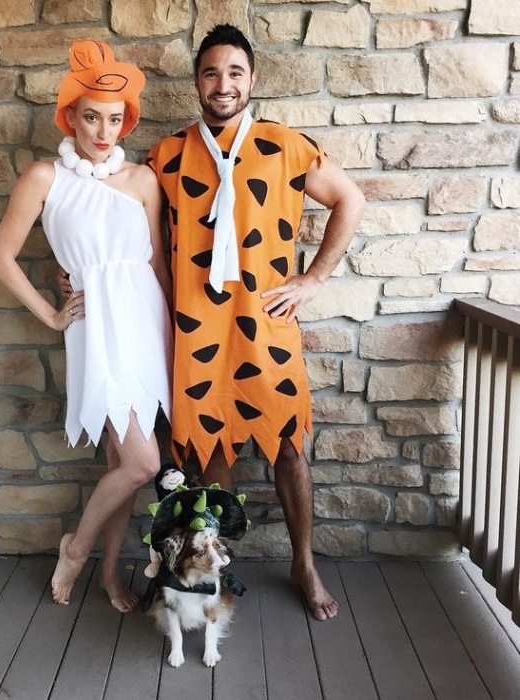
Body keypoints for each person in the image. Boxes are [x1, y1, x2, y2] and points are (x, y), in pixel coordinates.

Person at [144, 24, 366, 621]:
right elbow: (116, 222)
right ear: (196, 81)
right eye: (211, 72)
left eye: (235, 72)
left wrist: (314, 277)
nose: (223, 83)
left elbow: (351, 199)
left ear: (252, 81)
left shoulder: (286, 146)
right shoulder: (166, 156)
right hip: (198, 329)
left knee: (289, 447)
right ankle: (212, 571)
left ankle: (304, 561)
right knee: (209, 456)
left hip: (266, 325)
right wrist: (78, 277)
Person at [0, 39, 173, 613]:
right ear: (69, 117)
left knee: (126, 465)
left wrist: (175, 339)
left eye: (115, 119)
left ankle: (110, 576)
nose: (103, 130)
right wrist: (50, 313)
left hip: (145, 326)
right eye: (91, 116)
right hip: (95, 330)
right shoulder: (46, 177)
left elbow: (157, 266)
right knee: (145, 464)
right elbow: (0, 257)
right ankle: (76, 549)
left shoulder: (143, 180)